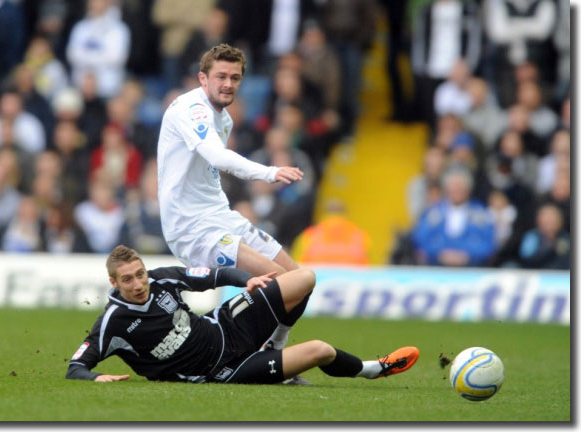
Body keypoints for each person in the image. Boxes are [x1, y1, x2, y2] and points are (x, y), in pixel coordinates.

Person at [65, 245, 419, 384]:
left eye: (140, 273)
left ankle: (274, 345)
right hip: (224, 370)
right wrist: (97, 379)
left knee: (305, 278)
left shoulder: (162, 279)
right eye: (128, 279)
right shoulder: (113, 322)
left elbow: (215, 276)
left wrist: (248, 280)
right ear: (113, 282)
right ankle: (372, 369)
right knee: (321, 351)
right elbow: (75, 368)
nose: (139, 283)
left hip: (226, 324)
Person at [156, 44, 303, 277]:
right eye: (221, 77)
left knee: (298, 276)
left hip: (219, 216)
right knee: (279, 279)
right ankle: (227, 316)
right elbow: (217, 156)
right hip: (191, 227)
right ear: (203, 79)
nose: (228, 84)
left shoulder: (224, 120)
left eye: (235, 78)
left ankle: (241, 314)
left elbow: (209, 172)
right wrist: (269, 172)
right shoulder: (192, 108)